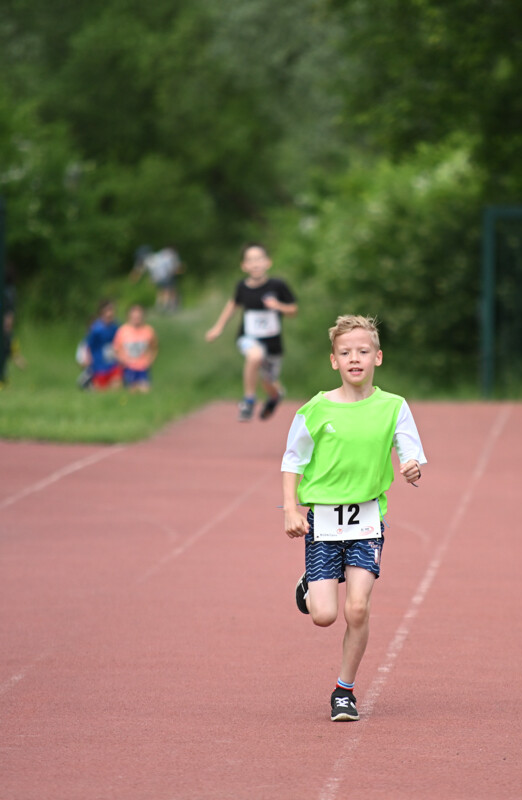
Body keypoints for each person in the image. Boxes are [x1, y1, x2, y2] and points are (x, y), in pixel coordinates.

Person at [281, 315, 427, 722]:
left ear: (377, 357)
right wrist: (291, 508)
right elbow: (292, 460)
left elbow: (410, 450)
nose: (355, 358)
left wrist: (412, 466)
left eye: (363, 351)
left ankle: (344, 691)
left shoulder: (393, 407)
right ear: (334, 361)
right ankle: (309, 584)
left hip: (367, 522)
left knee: (357, 609)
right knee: (324, 616)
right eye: (346, 353)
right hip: (323, 524)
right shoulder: (315, 409)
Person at [205, 243, 298, 421]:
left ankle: (275, 396)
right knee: (254, 356)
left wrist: (277, 306)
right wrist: (218, 328)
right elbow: (232, 305)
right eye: (250, 260)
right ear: (244, 266)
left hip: (273, 343)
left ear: (268, 262)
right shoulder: (242, 287)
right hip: (248, 337)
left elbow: (293, 310)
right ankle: (248, 400)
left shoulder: (278, 285)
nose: (255, 263)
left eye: (259, 259)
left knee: (268, 382)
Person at [113, 303, 158, 393]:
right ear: (129, 316)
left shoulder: (149, 331)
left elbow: (154, 347)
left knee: (145, 390)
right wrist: (122, 361)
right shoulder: (122, 331)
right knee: (131, 390)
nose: (136, 319)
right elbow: (116, 349)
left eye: (139, 316)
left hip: (143, 368)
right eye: (134, 316)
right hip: (128, 368)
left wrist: (150, 360)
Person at [79, 300, 122, 390]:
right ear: (101, 313)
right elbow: (88, 346)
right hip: (99, 366)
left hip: (112, 364)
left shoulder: (116, 327)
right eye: (107, 311)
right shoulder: (96, 329)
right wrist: (88, 359)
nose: (109, 313)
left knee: (116, 386)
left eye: (112, 310)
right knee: (102, 391)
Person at [132, 245, 183, 313]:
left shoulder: (150, 259)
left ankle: (166, 307)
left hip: (164, 275)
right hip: (165, 275)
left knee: (166, 291)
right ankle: (167, 307)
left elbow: (140, 270)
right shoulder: (156, 257)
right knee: (166, 291)